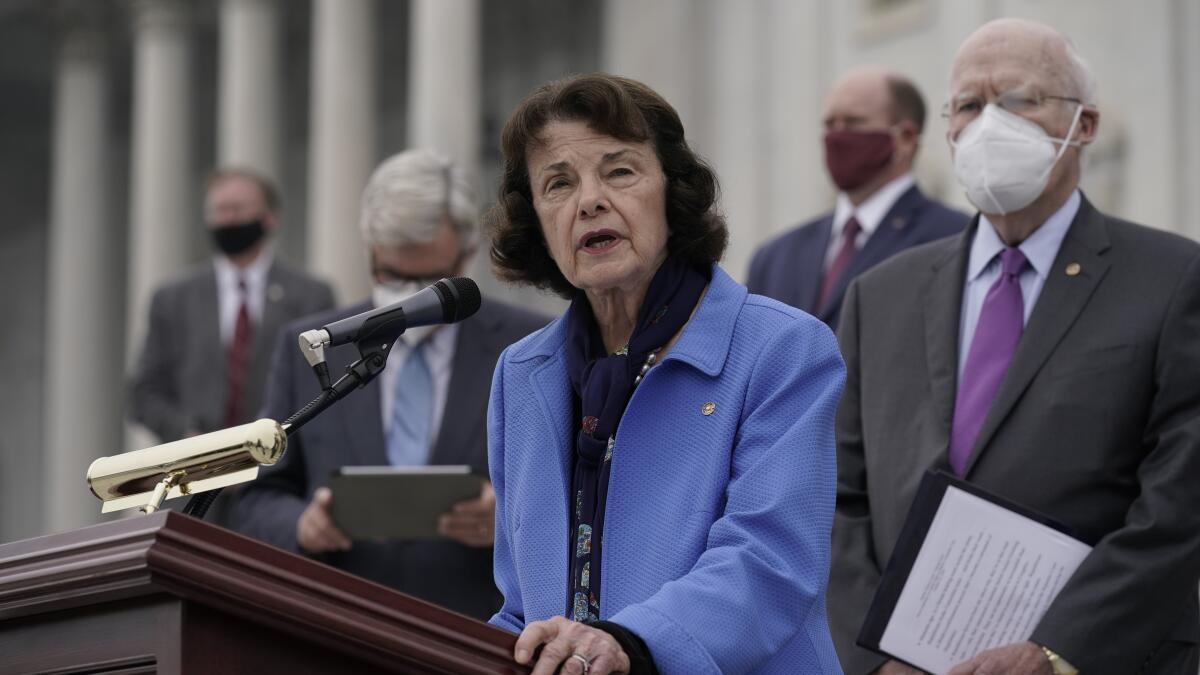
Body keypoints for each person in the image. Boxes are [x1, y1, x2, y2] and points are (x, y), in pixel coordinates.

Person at [830, 18, 1200, 675]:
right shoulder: (879, 296)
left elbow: (1178, 499)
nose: (987, 126)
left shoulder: (1171, 279)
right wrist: (875, 655)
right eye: (969, 105)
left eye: (1017, 100)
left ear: (1084, 124)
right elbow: (839, 499)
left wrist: (1057, 649)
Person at [485, 73, 846, 675]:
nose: (590, 201)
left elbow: (770, 562)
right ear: (538, 225)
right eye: (558, 184)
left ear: (672, 195)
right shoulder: (521, 374)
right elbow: (521, 605)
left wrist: (629, 642)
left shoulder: (783, 348)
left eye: (620, 172)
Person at [231, 149, 547, 620]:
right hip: (339, 630)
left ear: (466, 256)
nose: (407, 298)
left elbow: (579, 499)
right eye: (393, 275)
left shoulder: (531, 347)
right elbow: (255, 496)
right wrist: (303, 525)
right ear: (370, 253)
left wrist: (508, 522)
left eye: (429, 281)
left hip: (480, 633)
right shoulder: (313, 346)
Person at [129, 168, 335, 523]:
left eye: (238, 209)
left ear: (269, 218)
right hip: (190, 492)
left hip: (276, 491)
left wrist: (269, 448)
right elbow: (143, 392)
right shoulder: (172, 299)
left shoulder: (311, 296)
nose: (227, 219)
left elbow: (322, 386)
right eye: (219, 211)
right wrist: (187, 436)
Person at [747, 67, 967, 329]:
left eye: (853, 123)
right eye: (830, 125)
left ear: (906, 138)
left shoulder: (954, 238)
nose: (837, 136)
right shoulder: (775, 257)